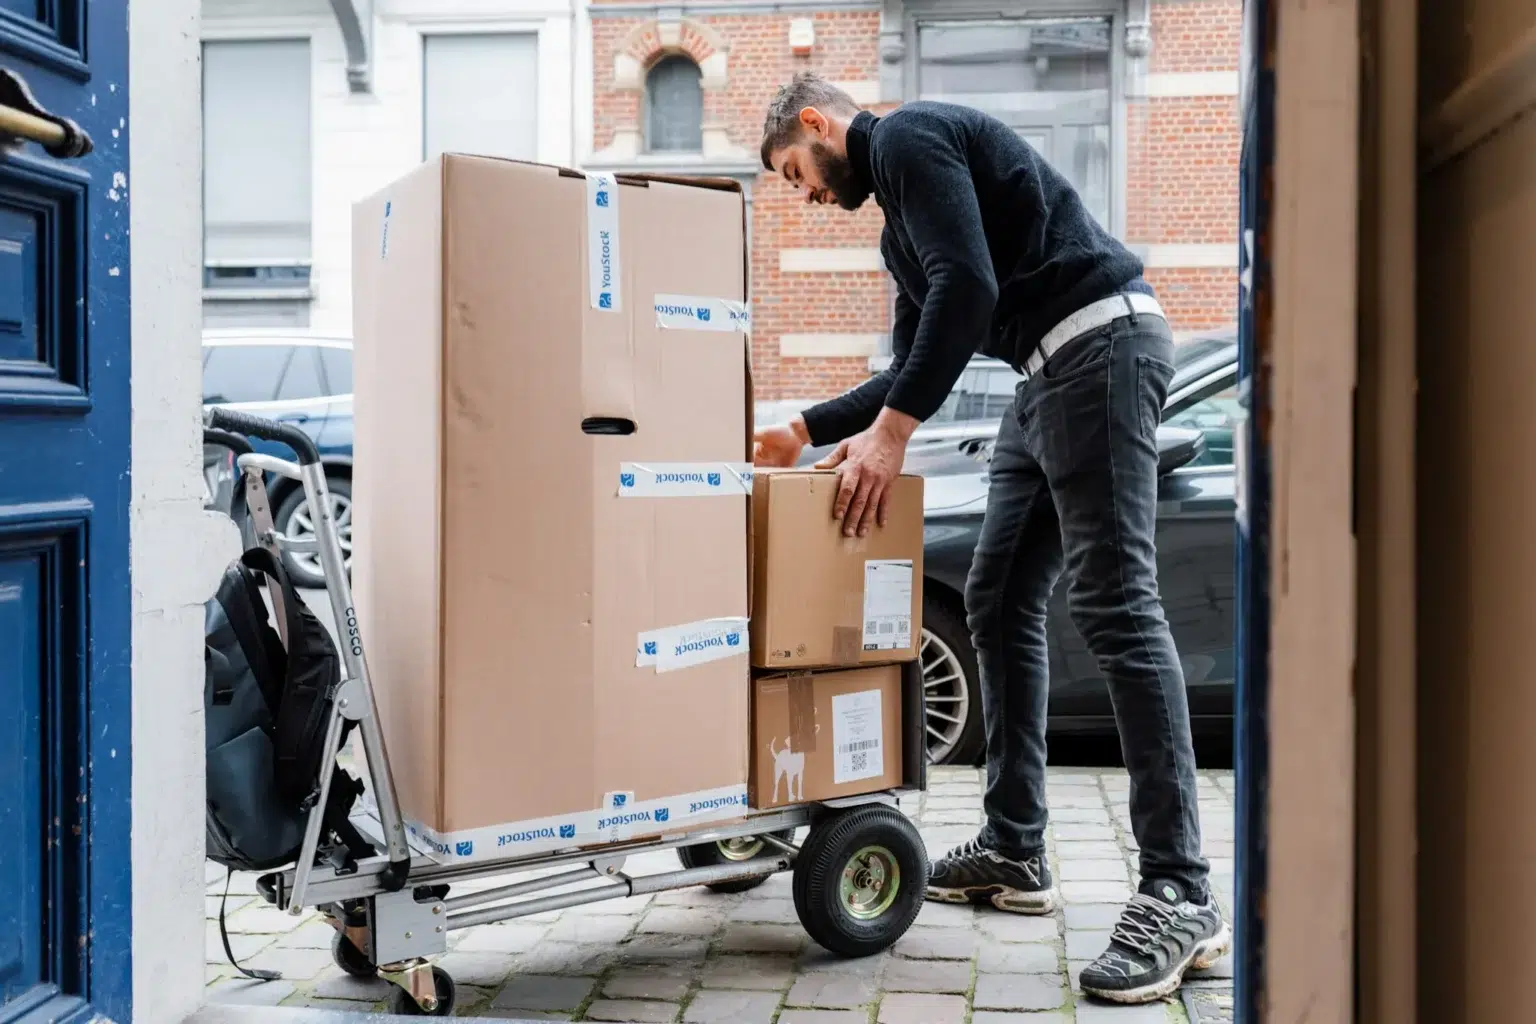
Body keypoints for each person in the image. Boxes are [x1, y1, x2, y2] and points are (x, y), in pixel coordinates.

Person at [752, 73, 1229, 1004]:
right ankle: (1016, 847)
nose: (803, 196)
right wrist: (805, 429)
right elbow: (918, 355)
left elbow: (968, 290)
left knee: (1116, 605)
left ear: (818, 124)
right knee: (998, 596)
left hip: (1101, 344)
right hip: (1044, 378)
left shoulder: (908, 138)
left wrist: (889, 434)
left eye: (792, 173)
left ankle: (1180, 889)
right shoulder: (900, 222)